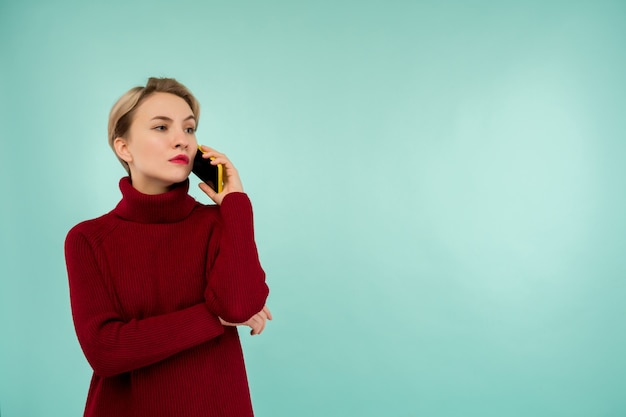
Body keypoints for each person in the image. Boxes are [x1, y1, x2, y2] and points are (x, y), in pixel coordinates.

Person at [64, 77, 271, 417]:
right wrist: (212, 317)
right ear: (124, 147)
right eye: (161, 127)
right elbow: (105, 351)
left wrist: (235, 203)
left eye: (190, 130)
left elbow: (238, 305)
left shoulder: (219, 223)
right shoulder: (88, 239)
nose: (182, 141)